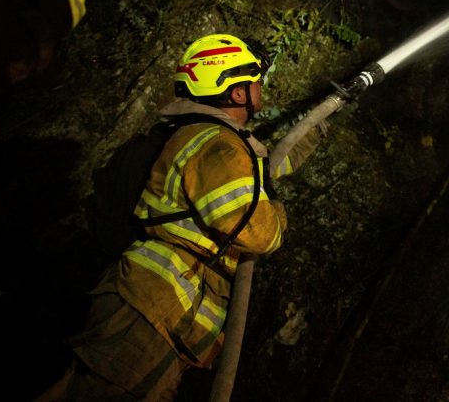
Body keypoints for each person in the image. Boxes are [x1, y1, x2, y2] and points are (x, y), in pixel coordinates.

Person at [37, 34, 326, 400]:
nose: (259, 87)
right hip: (153, 314)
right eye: (254, 79)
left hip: (156, 313)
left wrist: (317, 127)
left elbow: (266, 170)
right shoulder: (218, 146)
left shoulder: (206, 141)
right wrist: (279, 214)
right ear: (237, 93)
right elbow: (257, 229)